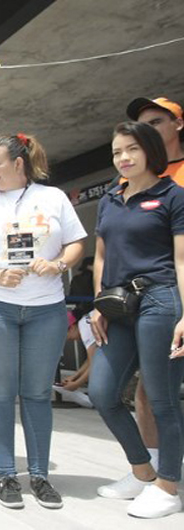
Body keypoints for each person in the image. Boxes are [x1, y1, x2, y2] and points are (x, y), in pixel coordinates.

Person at [0, 134, 86, 509]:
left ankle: (40, 475)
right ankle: (7, 474)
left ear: (18, 163)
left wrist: (58, 263)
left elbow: (76, 243)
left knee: (38, 394)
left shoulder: (54, 197)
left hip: (46, 309)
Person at [88, 121, 184, 519]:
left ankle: (169, 486)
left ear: (149, 150)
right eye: (116, 152)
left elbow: (181, 259)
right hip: (117, 305)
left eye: (131, 149)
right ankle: (143, 471)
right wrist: (98, 305)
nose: (123, 158)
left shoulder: (172, 195)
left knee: (161, 398)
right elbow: (101, 257)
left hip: (160, 299)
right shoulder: (110, 198)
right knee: (102, 393)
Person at [123, 96, 184, 474]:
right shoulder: (130, 180)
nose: (149, 131)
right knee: (150, 389)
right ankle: (157, 470)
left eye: (157, 122)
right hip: (153, 299)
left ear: (178, 125)